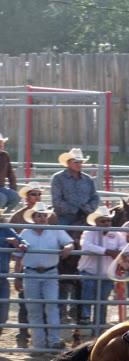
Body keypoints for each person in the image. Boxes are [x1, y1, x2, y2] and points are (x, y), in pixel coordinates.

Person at [12, 202, 74, 349]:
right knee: (35, 309)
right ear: (33, 218)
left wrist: (67, 248)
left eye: (44, 215)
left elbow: (70, 243)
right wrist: (17, 276)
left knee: (51, 306)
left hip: (50, 273)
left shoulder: (55, 231)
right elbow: (19, 257)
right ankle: (39, 344)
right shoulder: (26, 233)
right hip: (31, 273)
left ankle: (53, 341)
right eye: (39, 215)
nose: (42, 218)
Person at [78, 205, 127, 326]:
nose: (106, 223)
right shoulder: (89, 232)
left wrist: (119, 251)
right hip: (89, 271)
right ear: (96, 222)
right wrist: (108, 251)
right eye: (103, 221)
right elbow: (86, 246)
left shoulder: (116, 234)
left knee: (102, 301)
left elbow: (127, 246)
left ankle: (98, 326)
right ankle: (85, 315)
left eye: (108, 220)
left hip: (106, 274)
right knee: (89, 287)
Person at [50, 148, 100, 226]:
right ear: (68, 162)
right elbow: (57, 201)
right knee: (61, 230)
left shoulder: (88, 179)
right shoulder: (58, 178)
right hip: (64, 217)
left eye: (80, 162)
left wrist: (87, 209)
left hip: (86, 216)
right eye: (75, 162)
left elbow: (95, 198)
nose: (79, 164)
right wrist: (76, 210)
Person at [0, 210, 26, 339]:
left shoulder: (5, 229)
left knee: (3, 311)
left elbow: (22, 240)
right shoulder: (5, 232)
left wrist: (22, 244)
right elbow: (10, 239)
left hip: (2, 276)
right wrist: (5, 240)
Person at [0, 133, 20, 212]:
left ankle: (3, 216)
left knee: (16, 197)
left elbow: (11, 175)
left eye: (1, 142)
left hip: (1, 188)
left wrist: (13, 189)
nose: (0, 144)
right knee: (2, 198)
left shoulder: (5, 155)